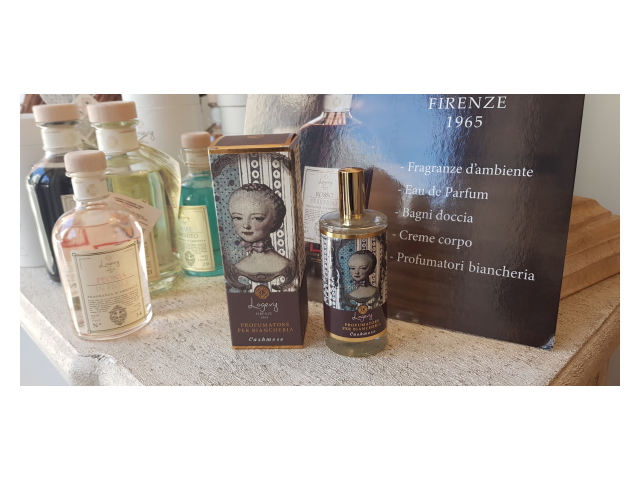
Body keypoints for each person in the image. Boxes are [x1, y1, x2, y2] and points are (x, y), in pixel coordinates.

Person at [228, 183, 291, 282]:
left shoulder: (286, 266)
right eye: (238, 218)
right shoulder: (236, 268)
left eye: (257, 218)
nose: (246, 225)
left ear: (274, 221)